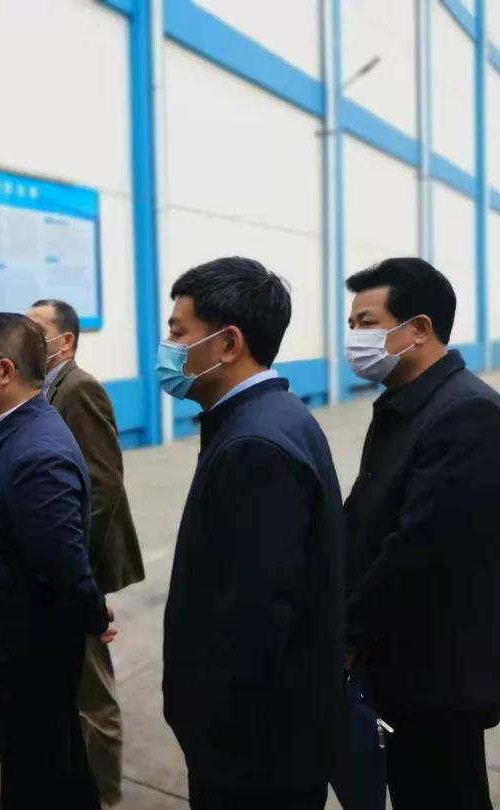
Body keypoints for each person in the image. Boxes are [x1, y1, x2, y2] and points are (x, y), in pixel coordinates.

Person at [159, 257, 345, 810]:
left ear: (228, 343)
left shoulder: (254, 446)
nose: (168, 347)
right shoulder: (273, 416)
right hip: (271, 742)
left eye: (178, 333)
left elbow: (251, 624)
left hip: (255, 757)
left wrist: (214, 739)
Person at [343, 258, 500, 809]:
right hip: (399, 663)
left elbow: (419, 550)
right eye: (351, 324)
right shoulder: (406, 403)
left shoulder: (468, 413)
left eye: (367, 322)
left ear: (419, 329)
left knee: (444, 792)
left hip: (437, 674)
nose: (354, 337)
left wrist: (347, 632)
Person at [0, 312, 115, 810]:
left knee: (39, 776)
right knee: (51, 769)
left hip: (23, 659)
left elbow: (63, 561)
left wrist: (93, 611)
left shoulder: (37, 451)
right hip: (12, 647)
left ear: (3, 371)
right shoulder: (13, 431)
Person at [26, 298, 144, 808]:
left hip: (77, 566)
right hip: (60, 566)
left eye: (36, 330)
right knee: (68, 683)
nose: (25, 337)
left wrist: (75, 567)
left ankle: (105, 798)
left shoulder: (79, 388)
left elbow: (103, 484)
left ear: (65, 340)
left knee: (92, 692)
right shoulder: (43, 389)